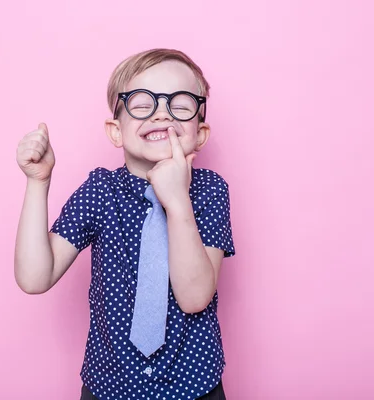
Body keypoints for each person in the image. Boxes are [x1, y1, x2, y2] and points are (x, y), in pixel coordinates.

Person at [14, 48, 235, 400]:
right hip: (110, 387)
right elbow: (35, 277)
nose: (162, 114)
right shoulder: (101, 191)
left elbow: (195, 297)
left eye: (180, 105)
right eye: (142, 103)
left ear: (201, 133)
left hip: (195, 386)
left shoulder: (209, 191)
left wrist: (177, 201)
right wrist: (38, 182)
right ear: (116, 131)